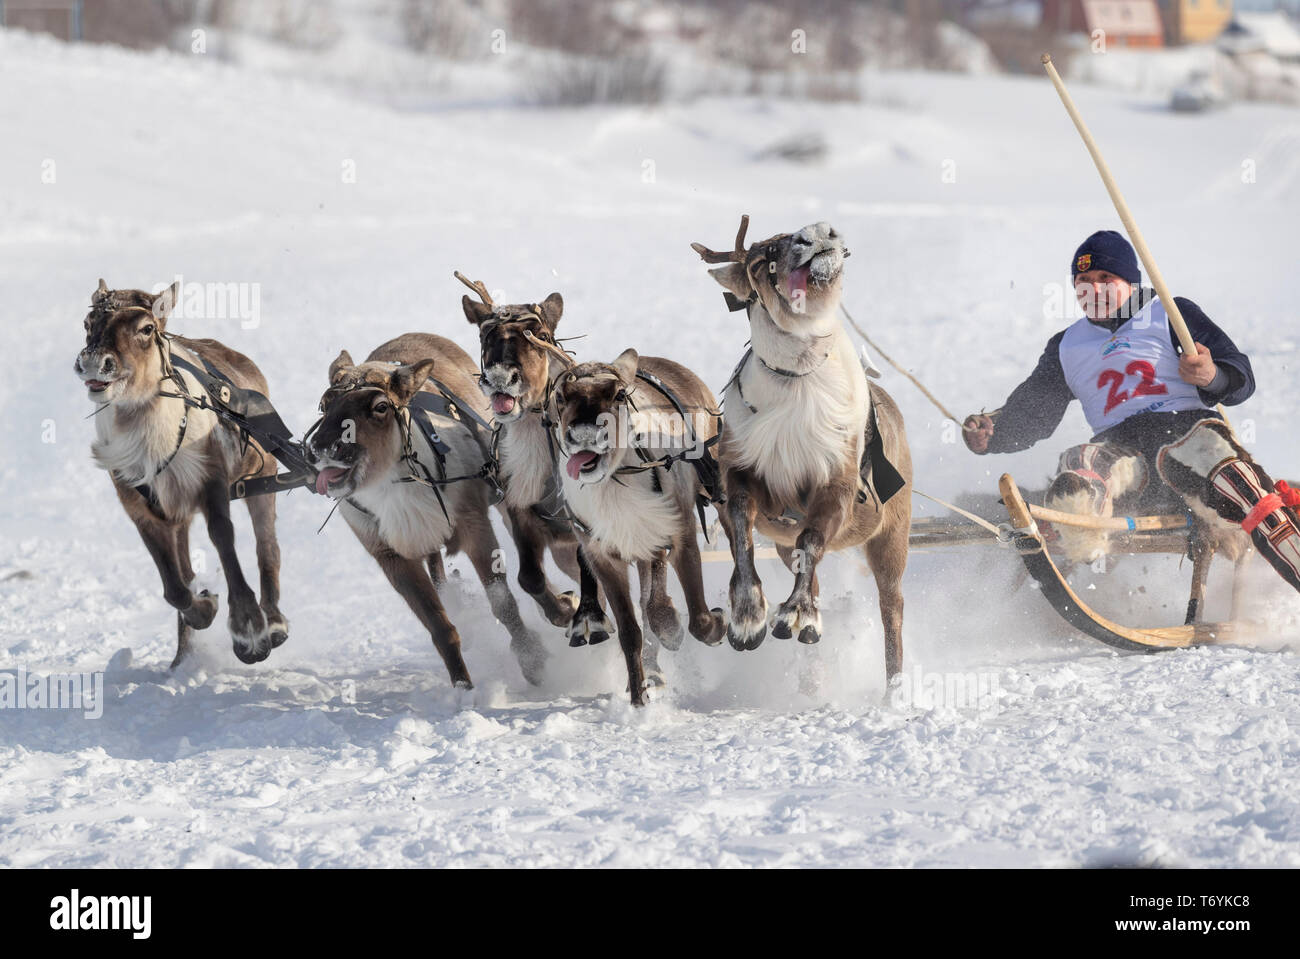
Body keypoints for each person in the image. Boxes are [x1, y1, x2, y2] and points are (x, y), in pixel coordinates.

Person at [963, 229, 1300, 593]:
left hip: (1188, 434)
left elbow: (1240, 377)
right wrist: (993, 434)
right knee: (1080, 460)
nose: (1094, 289)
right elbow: (1033, 413)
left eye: (1105, 278)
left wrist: (1212, 375)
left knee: (1234, 479)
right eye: (1084, 281)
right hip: (1123, 452)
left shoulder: (1170, 312)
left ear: (1130, 281)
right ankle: (1083, 539)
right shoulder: (1066, 346)